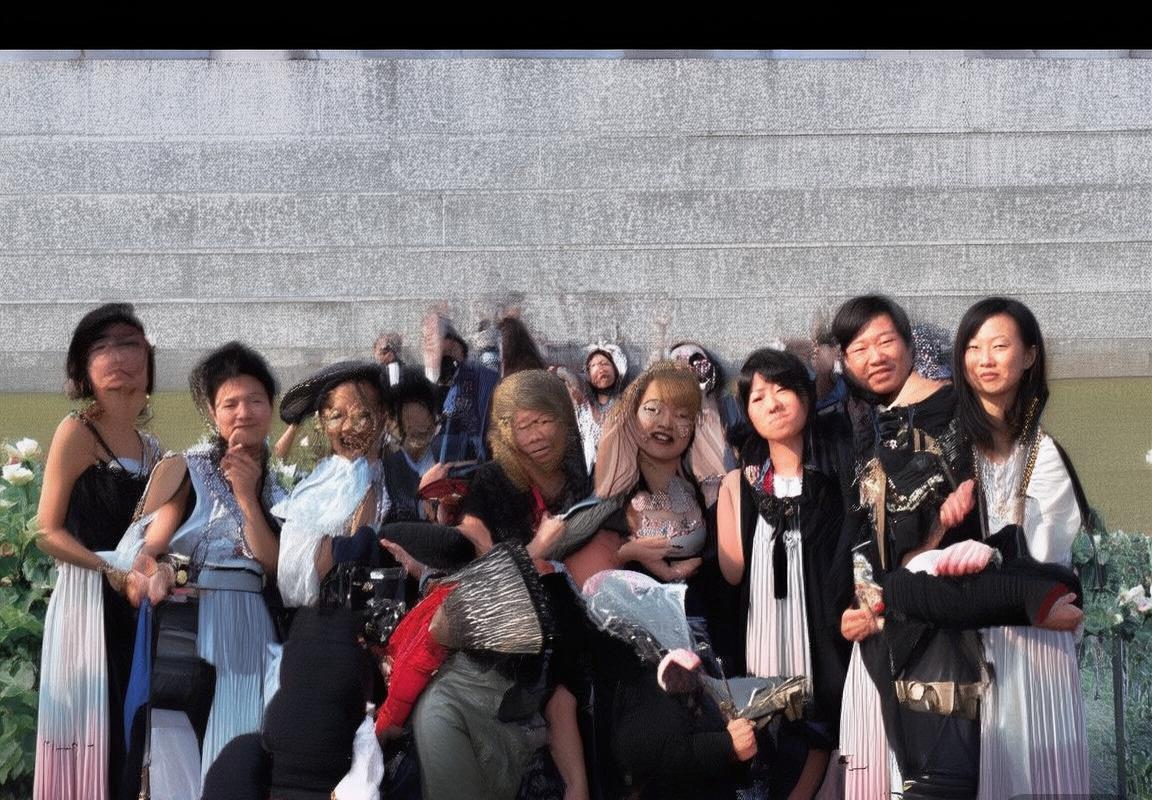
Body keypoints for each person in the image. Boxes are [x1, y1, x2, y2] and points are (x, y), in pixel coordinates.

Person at [114, 341, 285, 787]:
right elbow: (139, 552)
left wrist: (246, 496)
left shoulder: (280, 489)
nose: (243, 412)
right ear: (212, 412)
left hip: (251, 632)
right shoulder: (184, 469)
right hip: (189, 629)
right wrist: (157, 571)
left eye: (255, 400)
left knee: (239, 758)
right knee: (179, 766)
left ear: (271, 406)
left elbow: (274, 567)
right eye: (230, 403)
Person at [951, 297, 1090, 796]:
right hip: (968, 645)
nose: (984, 359)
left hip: (1036, 638)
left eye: (999, 346)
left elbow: (1048, 558)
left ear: (1029, 355)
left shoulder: (1045, 453)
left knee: (1043, 774)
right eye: (973, 347)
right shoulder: (948, 450)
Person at [34, 303, 162, 800]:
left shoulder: (154, 449)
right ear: (84, 369)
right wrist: (108, 568)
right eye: (102, 347)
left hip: (138, 603)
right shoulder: (76, 431)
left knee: (133, 736)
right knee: (94, 732)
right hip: (87, 604)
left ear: (148, 361)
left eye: (129, 344)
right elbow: (46, 531)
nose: (117, 356)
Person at [715, 348, 852, 799]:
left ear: (806, 397)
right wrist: (731, 493)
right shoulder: (742, 485)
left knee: (824, 745)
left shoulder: (835, 479)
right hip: (763, 646)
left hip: (825, 648)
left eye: (782, 390)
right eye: (757, 397)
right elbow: (732, 573)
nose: (771, 404)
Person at [273, 360, 391, 608]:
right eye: (336, 416)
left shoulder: (386, 478)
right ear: (323, 423)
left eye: (362, 417)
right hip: (305, 618)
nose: (348, 427)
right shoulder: (316, 480)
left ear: (381, 417)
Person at [569, 342, 629, 474]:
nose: (600, 369)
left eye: (605, 363)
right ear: (588, 375)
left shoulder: (627, 404)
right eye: (594, 365)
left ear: (616, 370)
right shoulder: (582, 408)